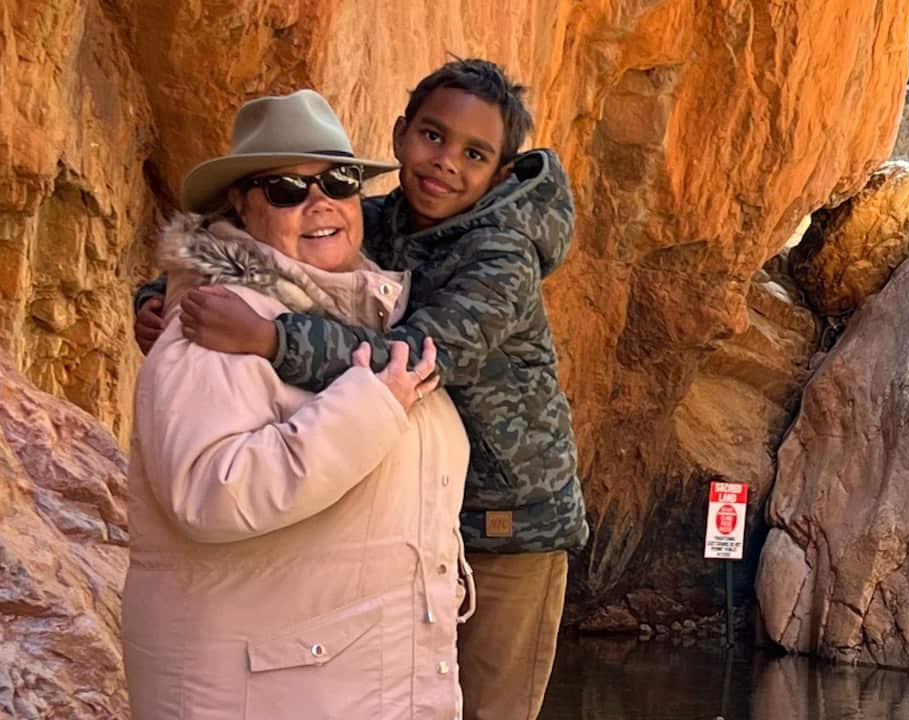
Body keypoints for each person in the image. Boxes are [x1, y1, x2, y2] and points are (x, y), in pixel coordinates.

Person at [134, 59, 588, 720]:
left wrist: (271, 338)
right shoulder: (376, 220)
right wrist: (160, 295)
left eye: (474, 153)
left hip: (511, 525)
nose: (446, 163)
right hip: (424, 521)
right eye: (432, 136)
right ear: (402, 134)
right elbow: (261, 244)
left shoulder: (502, 256)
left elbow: (422, 357)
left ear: (498, 172)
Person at [122, 89, 470, 720]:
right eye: (286, 189)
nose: (320, 203)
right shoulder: (215, 323)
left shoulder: (362, 317)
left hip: (351, 687)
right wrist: (369, 405)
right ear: (241, 205)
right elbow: (212, 491)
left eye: (339, 182)